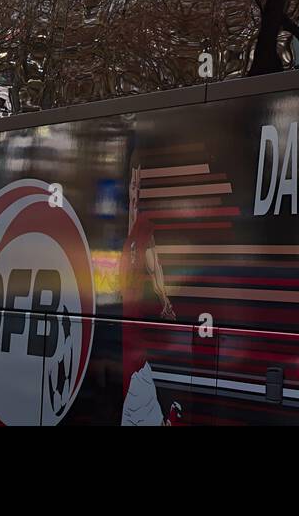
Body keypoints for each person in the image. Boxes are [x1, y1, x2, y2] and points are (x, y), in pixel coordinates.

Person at [120, 150, 179, 426]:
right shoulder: (129, 227)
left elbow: (155, 266)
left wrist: (164, 298)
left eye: (140, 186)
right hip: (126, 328)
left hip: (135, 332)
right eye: (133, 184)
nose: (136, 192)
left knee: (138, 394)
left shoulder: (143, 228)